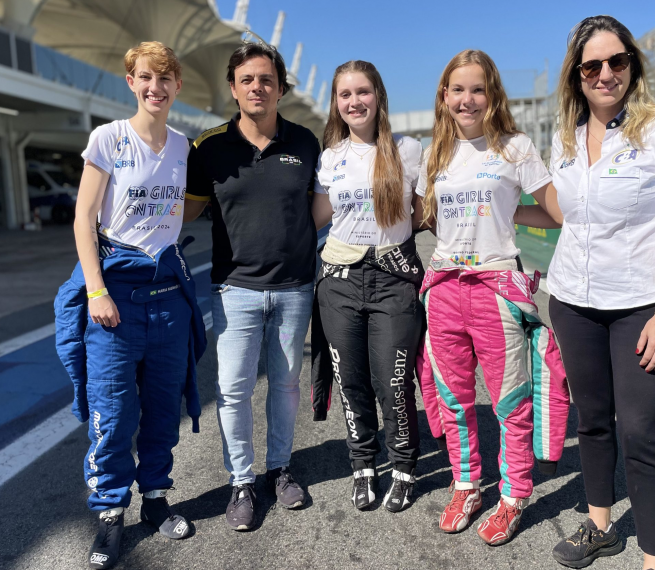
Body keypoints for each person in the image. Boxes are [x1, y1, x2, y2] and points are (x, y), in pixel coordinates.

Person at [542, 16, 655, 570]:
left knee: (639, 431)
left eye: (617, 61)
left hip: (641, 305)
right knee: (590, 420)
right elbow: (561, 216)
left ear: (632, 65)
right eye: (592, 65)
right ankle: (601, 526)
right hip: (572, 301)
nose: (605, 73)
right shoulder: (563, 140)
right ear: (576, 76)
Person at [55, 41, 205, 569]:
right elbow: (83, 219)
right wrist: (95, 290)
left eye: (164, 79)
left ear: (177, 85)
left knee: (162, 412)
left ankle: (156, 499)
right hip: (115, 303)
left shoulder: (185, 146)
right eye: (145, 77)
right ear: (131, 82)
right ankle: (111, 514)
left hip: (167, 299)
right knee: (114, 414)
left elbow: (177, 216)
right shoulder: (109, 139)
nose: (155, 87)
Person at [415, 49, 570, 546]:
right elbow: (430, 218)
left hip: (496, 290)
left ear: (493, 94)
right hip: (443, 289)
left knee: (510, 402)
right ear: (444, 97)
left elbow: (556, 214)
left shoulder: (515, 147)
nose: (467, 99)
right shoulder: (433, 154)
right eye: (457, 90)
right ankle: (466, 485)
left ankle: (514, 494)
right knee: (454, 399)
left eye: (477, 89)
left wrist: (507, 214)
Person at [183, 42, 321, 531]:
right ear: (234, 88)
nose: (257, 87)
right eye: (247, 80)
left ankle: (279, 468)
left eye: (266, 79)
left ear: (281, 88)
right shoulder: (209, 147)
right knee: (233, 390)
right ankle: (241, 481)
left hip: (294, 288)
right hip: (235, 290)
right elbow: (183, 211)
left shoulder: (306, 142)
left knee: (284, 385)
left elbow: (322, 206)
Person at [309, 61, 423, 512]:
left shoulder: (407, 149)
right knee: (350, 381)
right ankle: (363, 465)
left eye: (363, 92)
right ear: (337, 104)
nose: (355, 102)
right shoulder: (330, 155)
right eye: (345, 95)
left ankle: (404, 466)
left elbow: (424, 213)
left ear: (378, 96)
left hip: (393, 280)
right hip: (338, 281)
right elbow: (315, 219)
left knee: (393, 383)